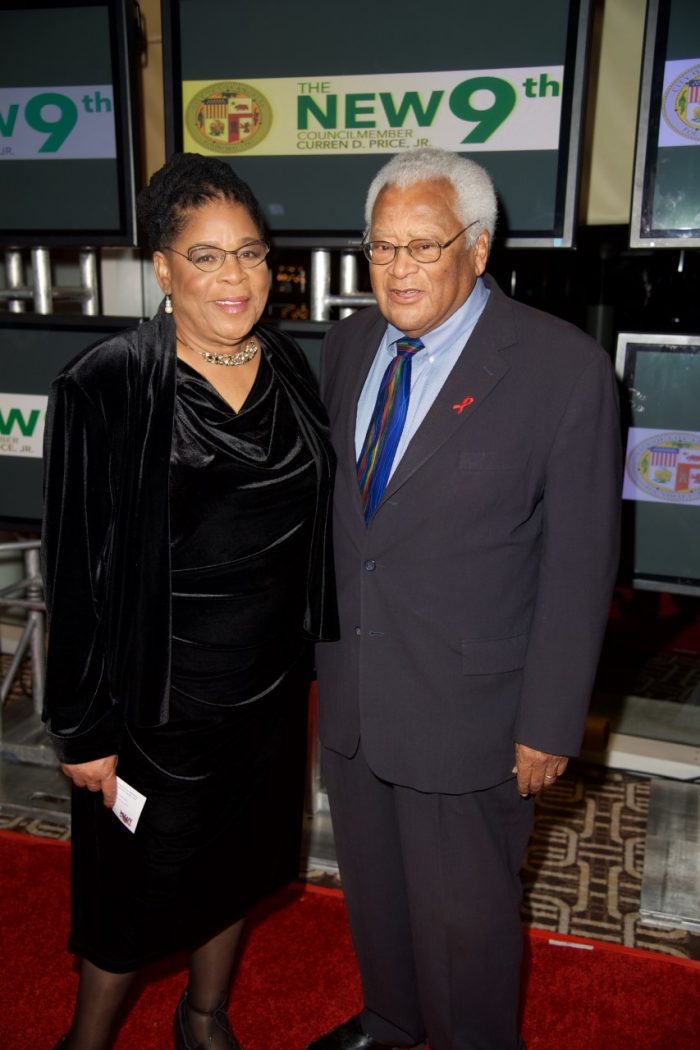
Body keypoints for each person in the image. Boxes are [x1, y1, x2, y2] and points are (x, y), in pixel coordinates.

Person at [307, 148, 621, 1050]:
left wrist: (550, 722)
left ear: (477, 250)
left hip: (473, 710)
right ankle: (391, 1022)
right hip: (360, 689)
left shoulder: (563, 369)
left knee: (467, 927)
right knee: (373, 887)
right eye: (380, 248)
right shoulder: (348, 344)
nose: (397, 269)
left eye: (423, 246)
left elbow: (581, 560)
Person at [42, 152, 337, 1050]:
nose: (236, 277)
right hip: (159, 702)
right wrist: (84, 728)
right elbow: (76, 568)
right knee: (137, 888)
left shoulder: (287, 363)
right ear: (162, 269)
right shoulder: (108, 383)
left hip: (269, 691)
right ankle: (85, 1041)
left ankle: (203, 1016)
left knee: (238, 869)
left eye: (250, 252)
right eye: (205, 257)